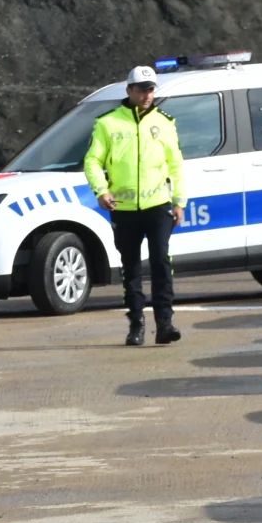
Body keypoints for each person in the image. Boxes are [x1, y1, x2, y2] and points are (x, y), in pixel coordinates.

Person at [82, 66, 185, 347]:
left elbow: (176, 165)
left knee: (161, 262)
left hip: (158, 206)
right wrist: (101, 191)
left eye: (151, 89)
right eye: (141, 89)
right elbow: (92, 161)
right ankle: (136, 324)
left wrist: (180, 202)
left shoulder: (165, 122)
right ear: (129, 90)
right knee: (131, 268)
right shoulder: (107, 123)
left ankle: (165, 323)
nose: (147, 94)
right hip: (124, 209)